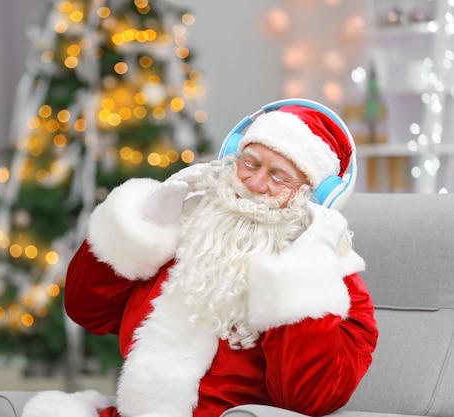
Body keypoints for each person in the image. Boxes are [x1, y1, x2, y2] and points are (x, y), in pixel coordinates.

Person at [21, 101, 379, 417]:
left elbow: (308, 399)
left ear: (315, 197)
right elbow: (87, 310)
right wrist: (143, 225)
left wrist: (299, 277)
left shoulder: (339, 288)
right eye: (249, 163)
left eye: (277, 176)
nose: (254, 183)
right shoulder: (186, 233)